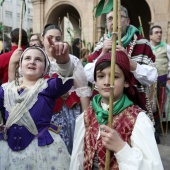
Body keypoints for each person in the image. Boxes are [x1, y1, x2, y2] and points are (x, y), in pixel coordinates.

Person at [70, 51, 163, 170]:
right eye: (101, 76)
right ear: (95, 81)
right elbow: (77, 160)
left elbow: (152, 166)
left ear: (126, 82)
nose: (107, 81)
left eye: (115, 76)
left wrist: (121, 148)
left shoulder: (138, 120)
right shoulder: (86, 116)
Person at [0, 45, 74, 169]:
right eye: (27, 58)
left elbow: (65, 81)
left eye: (38, 59)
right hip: (7, 151)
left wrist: (63, 62)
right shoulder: (5, 89)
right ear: (20, 64)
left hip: (41, 150)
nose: (32, 62)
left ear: (45, 68)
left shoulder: (48, 87)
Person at [84, 6, 158, 121]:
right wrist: (102, 54)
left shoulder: (142, 43)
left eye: (119, 18)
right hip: (103, 108)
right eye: (110, 19)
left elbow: (152, 77)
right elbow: (89, 76)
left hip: (133, 107)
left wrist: (129, 62)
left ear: (128, 21)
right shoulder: (101, 45)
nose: (114, 22)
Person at [149, 25, 170, 143]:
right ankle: (149, 130)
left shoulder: (166, 47)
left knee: (159, 107)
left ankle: (157, 132)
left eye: (160, 32)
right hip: (150, 83)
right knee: (150, 106)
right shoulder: (146, 48)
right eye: (156, 32)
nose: (159, 34)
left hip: (161, 81)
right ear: (150, 36)